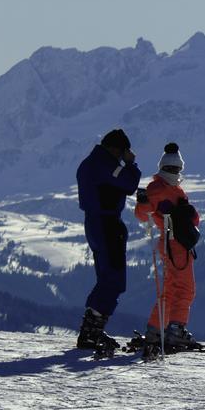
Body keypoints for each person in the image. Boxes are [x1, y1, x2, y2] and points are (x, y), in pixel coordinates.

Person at [75, 128, 141, 350]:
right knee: (114, 280)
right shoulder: (105, 164)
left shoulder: (90, 163)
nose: (122, 157)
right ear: (115, 148)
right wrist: (131, 164)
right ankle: (91, 332)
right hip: (107, 225)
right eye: (122, 153)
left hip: (94, 224)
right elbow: (129, 184)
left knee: (106, 278)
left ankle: (91, 331)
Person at [135, 142, 201, 352]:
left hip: (174, 242)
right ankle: (174, 329)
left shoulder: (169, 189)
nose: (175, 172)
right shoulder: (164, 189)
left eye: (177, 169)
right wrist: (144, 203)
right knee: (184, 288)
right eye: (172, 169)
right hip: (175, 244)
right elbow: (141, 213)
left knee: (173, 288)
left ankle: (158, 329)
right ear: (163, 168)